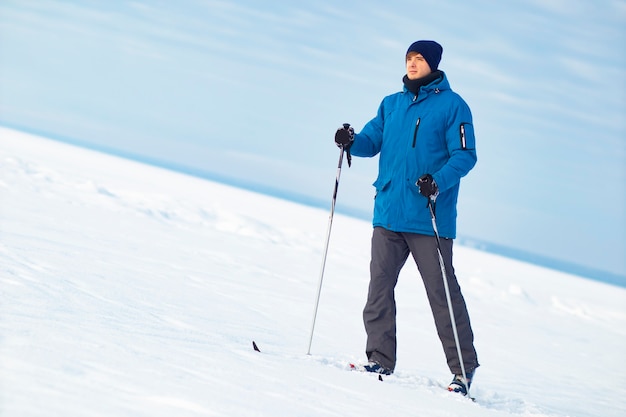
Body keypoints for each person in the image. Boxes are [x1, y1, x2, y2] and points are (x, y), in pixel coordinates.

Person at [334, 40, 479, 395]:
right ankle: (380, 358)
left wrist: (438, 182)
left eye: (419, 59)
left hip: (428, 218)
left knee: (443, 295)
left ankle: (463, 371)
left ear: (433, 65)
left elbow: (465, 155)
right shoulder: (391, 104)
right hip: (388, 212)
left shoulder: (453, 106)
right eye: (409, 59)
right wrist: (351, 141)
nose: (412, 64)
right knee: (378, 289)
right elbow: (371, 140)